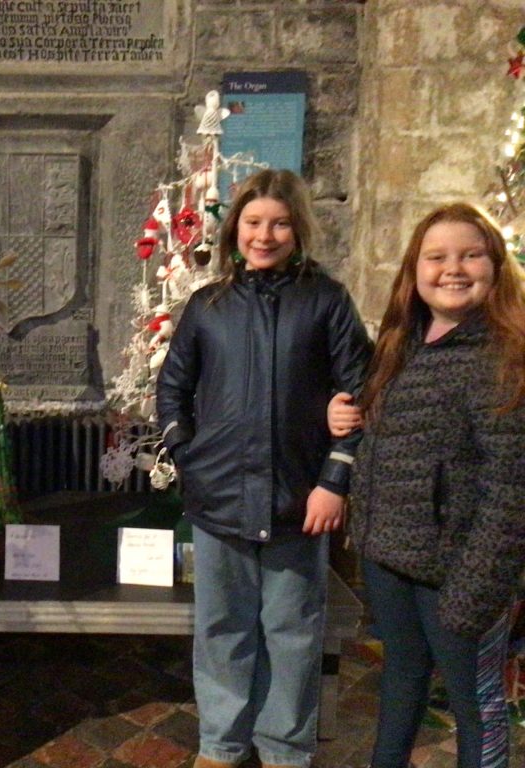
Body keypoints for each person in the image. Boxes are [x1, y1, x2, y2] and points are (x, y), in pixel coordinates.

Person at [156, 168, 372, 768]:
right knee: (222, 629)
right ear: (236, 229)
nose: (265, 235)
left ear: (297, 229)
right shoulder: (208, 306)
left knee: (293, 632)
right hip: (218, 498)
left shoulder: (326, 301)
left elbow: (360, 393)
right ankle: (221, 744)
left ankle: (285, 749)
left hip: (299, 500)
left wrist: (334, 481)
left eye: (279, 223)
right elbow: (173, 387)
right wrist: (187, 455)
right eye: (254, 222)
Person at [327, 203, 525, 768]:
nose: (452, 269)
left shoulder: (506, 357)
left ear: (495, 265)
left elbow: (512, 491)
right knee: (401, 682)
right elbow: (389, 429)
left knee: (476, 708)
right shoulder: (402, 342)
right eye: (437, 257)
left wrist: (474, 592)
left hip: (460, 574)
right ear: (415, 270)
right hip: (392, 559)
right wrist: (345, 415)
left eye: (470, 255)